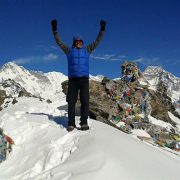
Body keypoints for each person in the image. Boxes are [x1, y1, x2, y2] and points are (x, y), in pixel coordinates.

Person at [51, 19, 106, 131]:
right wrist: (55, 29)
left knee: (85, 101)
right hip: (73, 80)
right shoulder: (69, 50)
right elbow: (59, 42)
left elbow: (97, 41)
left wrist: (102, 29)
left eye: (80, 41)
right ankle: (71, 123)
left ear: (82, 42)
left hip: (84, 79)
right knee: (71, 102)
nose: (79, 43)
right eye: (76, 41)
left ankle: (84, 123)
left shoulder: (87, 50)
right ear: (74, 42)